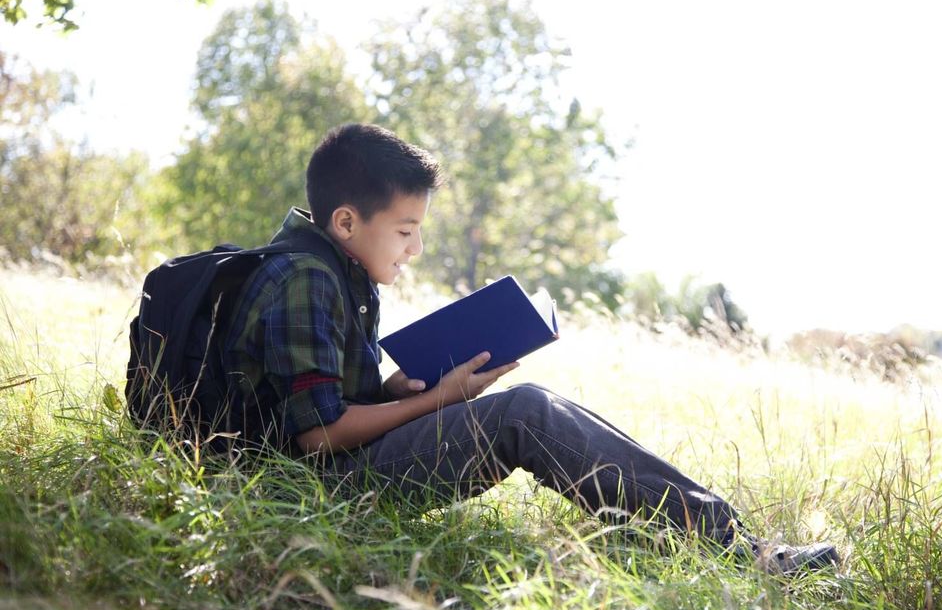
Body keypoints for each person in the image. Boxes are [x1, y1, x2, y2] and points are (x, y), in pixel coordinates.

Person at [220, 123, 838, 574]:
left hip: (332, 471)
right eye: (406, 232)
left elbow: (321, 403)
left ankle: (688, 533)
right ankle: (741, 551)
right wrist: (438, 398)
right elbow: (317, 437)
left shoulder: (339, 271)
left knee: (534, 406)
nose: (414, 250)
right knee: (527, 413)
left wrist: (394, 392)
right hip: (316, 495)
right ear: (348, 222)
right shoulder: (306, 277)